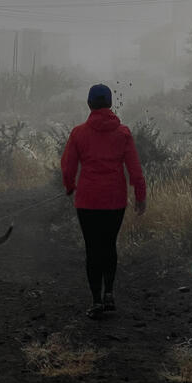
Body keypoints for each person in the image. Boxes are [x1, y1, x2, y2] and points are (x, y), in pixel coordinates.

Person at [61, 83, 146, 319]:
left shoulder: (78, 133)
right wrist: (140, 195)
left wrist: (69, 186)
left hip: (87, 201)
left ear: (89, 104)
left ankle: (96, 301)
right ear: (109, 104)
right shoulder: (123, 133)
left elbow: (68, 166)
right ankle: (109, 293)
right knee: (109, 245)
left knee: (92, 248)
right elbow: (135, 169)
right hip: (114, 200)